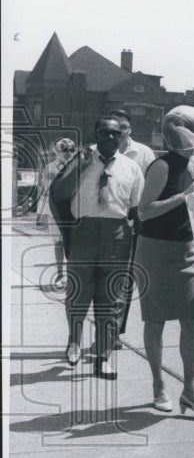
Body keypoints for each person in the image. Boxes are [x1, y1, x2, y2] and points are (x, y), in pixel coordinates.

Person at [135, 106, 194, 415]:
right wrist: (183, 195)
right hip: (156, 249)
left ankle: (191, 392)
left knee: (192, 318)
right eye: (177, 126)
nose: (181, 131)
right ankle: (159, 385)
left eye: (187, 126)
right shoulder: (162, 166)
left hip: (187, 248)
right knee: (155, 320)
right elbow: (145, 210)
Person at [48, 118, 144, 377]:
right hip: (85, 231)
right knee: (79, 292)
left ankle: (103, 356)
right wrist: (81, 165)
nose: (111, 137)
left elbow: (135, 208)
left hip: (117, 233)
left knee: (111, 297)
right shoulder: (81, 158)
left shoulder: (131, 167)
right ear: (96, 133)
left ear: (123, 135)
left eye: (116, 133)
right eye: (105, 132)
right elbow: (59, 193)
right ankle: (74, 343)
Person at [108, 109, 156, 331]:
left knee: (124, 278)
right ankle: (106, 326)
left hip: (135, 220)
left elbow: (153, 188)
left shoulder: (144, 153)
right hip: (107, 221)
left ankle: (116, 330)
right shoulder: (97, 151)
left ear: (130, 129)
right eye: (115, 127)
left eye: (124, 127)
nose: (120, 132)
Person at [37, 137, 77, 285]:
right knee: (58, 243)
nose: (68, 153)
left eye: (71, 150)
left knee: (73, 244)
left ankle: (73, 274)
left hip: (74, 211)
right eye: (64, 150)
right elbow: (45, 191)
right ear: (56, 151)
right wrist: (40, 213)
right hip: (55, 211)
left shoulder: (78, 166)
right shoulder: (50, 168)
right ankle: (60, 274)